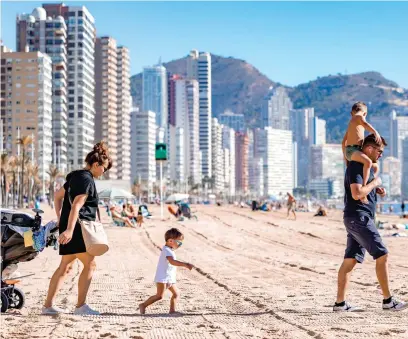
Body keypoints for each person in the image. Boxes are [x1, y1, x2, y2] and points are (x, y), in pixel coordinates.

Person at [334, 134, 408, 312]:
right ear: (368, 148)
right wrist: (375, 182)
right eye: (379, 150)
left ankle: (340, 304)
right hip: (359, 218)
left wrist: (376, 188)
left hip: (354, 217)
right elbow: (357, 194)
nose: (381, 154)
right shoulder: (357, 166)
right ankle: (388, 301)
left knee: (350, 261)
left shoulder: (362, 167)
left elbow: (363, 191)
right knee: (382, 254)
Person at [42, 142, 112, 315]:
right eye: (104, 168)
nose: (104, 172)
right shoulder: (86, 179)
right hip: (78, 229)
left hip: (71, 227)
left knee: (65, 267)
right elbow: (77, 205)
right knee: (90, 264)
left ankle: (48, 306)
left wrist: (61, 220)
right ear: (96, 165)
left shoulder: (75, 177)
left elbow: (57, 197)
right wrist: (69, 230)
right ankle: (81, 306)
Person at [139, 228, 194, 314]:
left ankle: (172, 311)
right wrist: (185, 264)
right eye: (179, 242)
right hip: (162, 277)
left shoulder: (170, 250)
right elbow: (172, 262)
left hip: (169, 277)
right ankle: (143, 305)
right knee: (159, 296)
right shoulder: (166, 250)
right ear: (170, 241)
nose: (180, 245)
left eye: (181, 243)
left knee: (176, 294)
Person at [342, 102, 382, 204]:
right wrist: (375, 132)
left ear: (351, 112)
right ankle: (364, 188)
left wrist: (346, 158)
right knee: (368, 162)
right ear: (365, 113)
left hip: (351, 150)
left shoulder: (352, 122)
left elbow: (343, 142)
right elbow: (365, 124)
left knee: (374, 166)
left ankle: (368, 185)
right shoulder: (358, 117)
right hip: (353, 150)